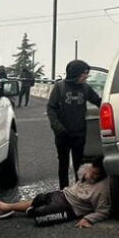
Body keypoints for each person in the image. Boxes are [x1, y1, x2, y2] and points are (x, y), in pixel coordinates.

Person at [0, 157, 110, 228]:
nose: (92, 175)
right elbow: (83, 170)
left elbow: (103, 211)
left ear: (103, 174)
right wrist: (86, 175)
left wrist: (89, 219)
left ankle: (32, 210)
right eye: (91, 171)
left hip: (70, 207)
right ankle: (5, 207)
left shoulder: (102, 189)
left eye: (95, 174)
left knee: (40, 218)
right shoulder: (89, 174)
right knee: (39, 199)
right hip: (64, 194)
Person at [47, 59, 101, 189]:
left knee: (79, 165)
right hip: (62, 135)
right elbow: (51, 108)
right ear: (76, 73)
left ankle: (79, 191)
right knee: (63, 164)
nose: (87, 76)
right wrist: (57, 127)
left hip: (79, 134)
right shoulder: (59, 87)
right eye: (85, 73)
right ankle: (63, 192)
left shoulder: (85, 88)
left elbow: (99, 101)